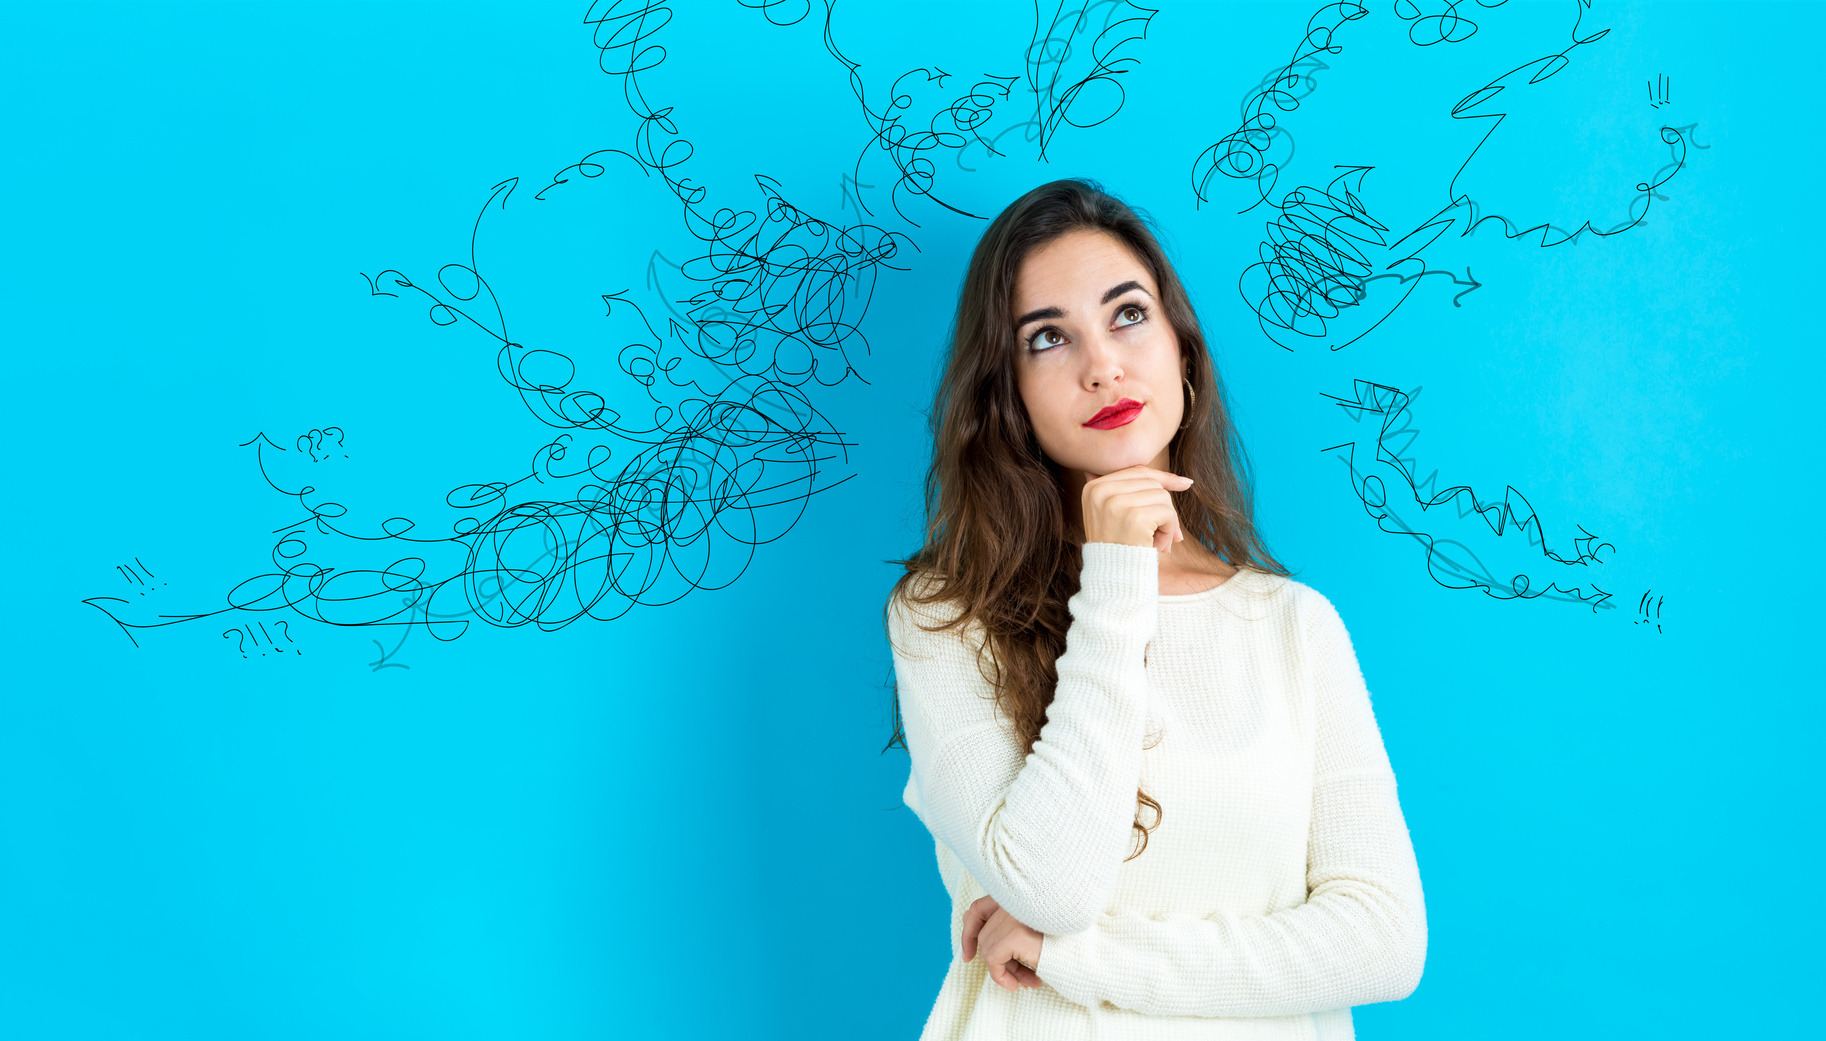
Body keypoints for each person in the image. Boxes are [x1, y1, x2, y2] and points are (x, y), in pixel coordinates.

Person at [881, 179, 1427, 1041]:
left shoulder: (1293, 625)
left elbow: (1384, 942)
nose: (1101, 364)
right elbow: (1051, 885)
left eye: (1128, 315)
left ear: (1183, 350)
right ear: (1008, 393)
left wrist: (1078, 960)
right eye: (1048, 337)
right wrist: (1117, 578)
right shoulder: (948, 617)